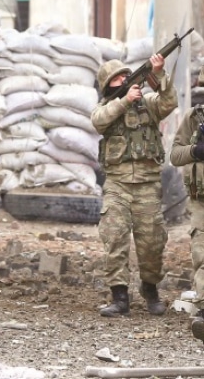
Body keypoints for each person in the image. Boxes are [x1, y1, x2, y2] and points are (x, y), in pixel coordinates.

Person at [91, 55, 177, 317]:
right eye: (117, 78)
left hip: (147, 185)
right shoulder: (105, 107)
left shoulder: (147, 104)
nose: (124, 80)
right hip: (117, 184)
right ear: (108, 86)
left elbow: (169, 103)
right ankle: (119, 297)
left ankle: (150, 290)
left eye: (125, 75)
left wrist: (160, 75)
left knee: (152, 242)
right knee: (114, 238)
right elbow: (98, 121)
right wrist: (123, 101)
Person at [171, 67, 204, 341]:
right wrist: (195, 151)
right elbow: (175, 154)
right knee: (202, 254)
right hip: (202, 201)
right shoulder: (195, 119)